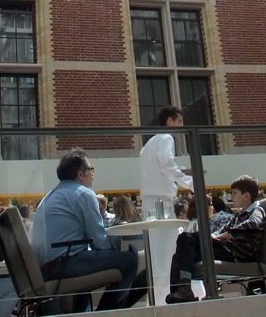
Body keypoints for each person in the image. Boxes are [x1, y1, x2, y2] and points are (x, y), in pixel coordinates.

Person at [30, 148, 138, 312]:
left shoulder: (50, 196)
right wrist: (113, 252)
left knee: (89, 260)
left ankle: (81, 313)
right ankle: (106, 314)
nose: (93, 174)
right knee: (130, 259)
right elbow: (99, 240)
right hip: (65, 264)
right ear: (81, 174)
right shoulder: (84, 194)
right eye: (91, 169)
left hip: (48, 266)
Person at [165, 175, 265, 304]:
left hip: (235, 254)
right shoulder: (239, 214)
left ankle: (184, 290)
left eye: (234, 193)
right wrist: (213, 236)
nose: (231, 197)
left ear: (246, 196)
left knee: (185, 238)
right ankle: (178, 292)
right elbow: (222, 230)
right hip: (227, 250)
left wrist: (228, 235)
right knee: (178, 255)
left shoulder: (257, 210)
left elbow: (253, 223)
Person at [140, 106, 194, 303]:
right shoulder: (165, 138)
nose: (181, 125)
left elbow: (162, 167)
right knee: (168, 251)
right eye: (179, 121)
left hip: (152, 201)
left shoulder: (149, 143)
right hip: (160, 202)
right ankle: (164, 298)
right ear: (170, 121)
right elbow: (166, 164)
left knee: (158, 252)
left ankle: (156, 298)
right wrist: (190, 183)